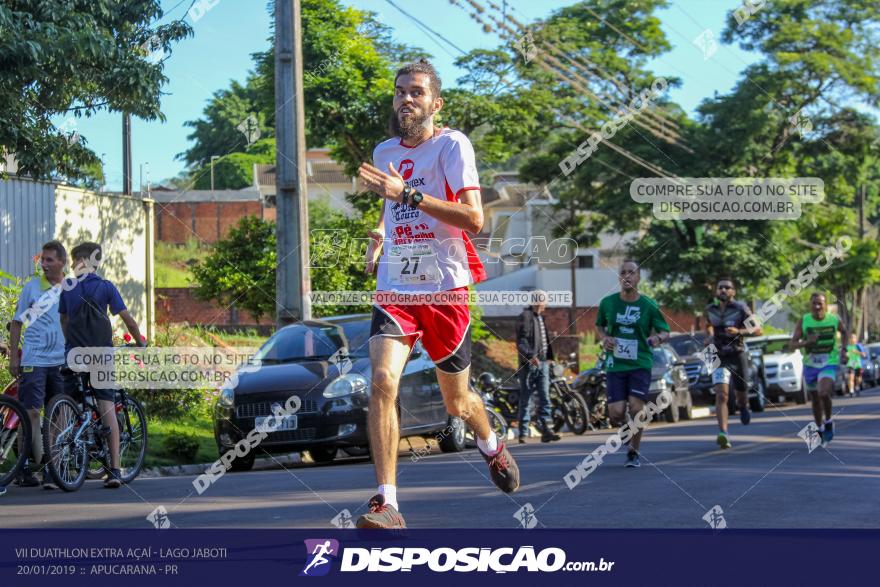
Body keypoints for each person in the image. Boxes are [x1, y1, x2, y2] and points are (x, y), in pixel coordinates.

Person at [355, 59, 519, 528]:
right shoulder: (384, 149)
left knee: (457, 404)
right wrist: (382, 235)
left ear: (435, 102)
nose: (407, 98)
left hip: (445, 287)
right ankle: (387, 503)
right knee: (383, 381)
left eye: (418, 92)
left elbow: (473, 218)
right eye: (401, 91)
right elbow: (395, 211)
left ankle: (491, 445)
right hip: (396, 288)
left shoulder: (452, 145)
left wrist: (406, 194)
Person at [58, 242, 146, 488]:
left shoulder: (68, 287)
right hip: (101, 355)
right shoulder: (106, 287)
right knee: (107, 406)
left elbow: (64, 320)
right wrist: (140, 343)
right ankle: (115, 470)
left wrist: (71, 344)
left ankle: (55, 466)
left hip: (74, 355)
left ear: (78, 262)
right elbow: (127, 320)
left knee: (67, 403)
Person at [595, 260, 670, 468]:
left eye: (631, 273)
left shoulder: (649, 305)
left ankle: (633, 452)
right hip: (615, 364)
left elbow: (665, 331)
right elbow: (599, 326)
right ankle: (628, 429)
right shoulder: (608, 303)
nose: (626, 276)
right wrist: (605, 338)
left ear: (638, 277)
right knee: (616, 412)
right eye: (623, 273)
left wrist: (657, 339)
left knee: (637, 407)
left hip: (640, 363)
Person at [8, 240, 69, 489]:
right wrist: (14, 357)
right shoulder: (32, 288)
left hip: (60, 360)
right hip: (34, 360)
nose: (44, 264)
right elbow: (16, 323)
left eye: (49, 260)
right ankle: (24, 468)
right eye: (42, 260)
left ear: (62, 263)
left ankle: (53, 469)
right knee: (30, 412)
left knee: (59, 416)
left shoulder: (69, 288)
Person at [703, 277, 762, 449]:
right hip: (718, 355)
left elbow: (758, 330)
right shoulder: (710, 309)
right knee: (722, 394)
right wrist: (709, 336)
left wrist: (739, 331)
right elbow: (707, 325)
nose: (723, 290)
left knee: (741, 393)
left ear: (733, 292)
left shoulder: (741, 308)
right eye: (720, 287)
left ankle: (744, 406)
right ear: (716, 291)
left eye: (727, 288)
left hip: (737, 354)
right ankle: (723, 433)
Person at [789, 293, 846, 447]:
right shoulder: (804, 320)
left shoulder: (834, 319)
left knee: (824, 392)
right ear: (810, 305)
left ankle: (828, 421)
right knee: (815, 399)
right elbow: (792, 344)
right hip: (810, 364)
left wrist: (844, 350)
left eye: (820, 303)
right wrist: (807, 342)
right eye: (814, 303)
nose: (817, 307)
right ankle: (819, 427)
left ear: (825, 305)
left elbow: (845, 332)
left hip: (829, 361)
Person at [515, 290, 560, 444]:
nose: (546, 304)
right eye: (544, 301)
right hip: (529, 365)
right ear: (537, 301)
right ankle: (523, 433)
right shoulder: (525, 316)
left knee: (545, 397)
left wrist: (549, 359)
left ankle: (547, 430)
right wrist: (529, 356)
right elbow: (521, 341)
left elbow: (543, 340)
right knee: (526, 398)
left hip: (543, 364)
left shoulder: (540, 317)